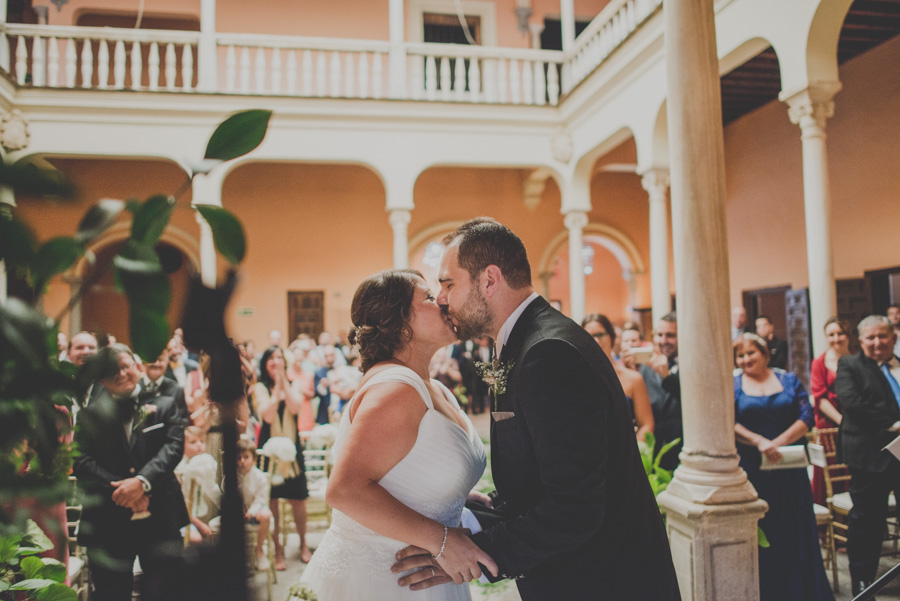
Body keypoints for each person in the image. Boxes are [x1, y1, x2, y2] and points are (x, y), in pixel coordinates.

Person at [395, 218, 679, 600]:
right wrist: (486, 512)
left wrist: (477, 553)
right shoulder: (521, 342)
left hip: (602, 581)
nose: (442, 297)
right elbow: (547, 475)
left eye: (448, 284)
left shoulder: (549, 353)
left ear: (489, 280)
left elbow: (575, 507)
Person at [299, 268, 495, 600]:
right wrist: (443, 540)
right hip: (386, 581)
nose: (444, 301)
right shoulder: (395, 388)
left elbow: (406, 472)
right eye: (430, 298)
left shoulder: (433, 387)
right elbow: (345, 490)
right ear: (402, 323)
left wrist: (454, 498)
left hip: (429, 572)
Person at [73, 343, 188, 601]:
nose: (120, 373)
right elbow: (81, 462)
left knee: (167, 593)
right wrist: (124, 489)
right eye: (112, 370)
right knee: (111, 595)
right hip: (107, 523)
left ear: (137, 366)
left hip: (160, 516)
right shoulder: (89, 416)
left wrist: (142, 482)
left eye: (125, 366)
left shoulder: (166, 404)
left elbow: (173, 447)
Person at [732, 333, 834, 601]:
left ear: (765, 354)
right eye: (740, 356)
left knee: (795, 528)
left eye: (751, 353)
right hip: (755, 469)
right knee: (766, 528)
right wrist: (760, 442)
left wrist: (777, 442)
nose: (745, 360)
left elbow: (807, 416)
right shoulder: (734, 384)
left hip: (789, 467)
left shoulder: (788, 379)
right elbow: (729, 421)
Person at [835, 315, 900, 595]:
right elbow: (853, 404)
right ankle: (863, 585)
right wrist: (896, 423)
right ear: (860, 341)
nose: (877, 343)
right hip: (870, 458)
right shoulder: (850, 365)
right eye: (870, 338)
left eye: (882, 336)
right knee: (867, 523)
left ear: (893, 337)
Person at [253, 346, 312, 568]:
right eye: (271, 358)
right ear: (265, 363)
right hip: (268, 449)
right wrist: (276, 389)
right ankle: (278, 551)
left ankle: (304, 544)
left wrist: (283, 384)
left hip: (292, 449)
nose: (276, 361)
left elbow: (295, 408)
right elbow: (267, 415)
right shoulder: (259, 387)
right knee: (272, 502)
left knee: (299, 499)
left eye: (279, 358)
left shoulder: (294, 384)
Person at [581, 314, 654, 443]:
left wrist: (633, 452)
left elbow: (647, 425)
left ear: (612, 337)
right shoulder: (578, 379)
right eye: (590, 336)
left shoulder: (633, 378)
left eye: (600, 335)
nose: (596, 341)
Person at [809, 317, 850, 506]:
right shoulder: (819, 362)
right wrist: (842, 421)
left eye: (840, 333)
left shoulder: (856, 359)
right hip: (829, 424)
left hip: (854, 423)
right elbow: (820, 397)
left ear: (848, 335)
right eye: (831, 334)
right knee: (831, 471)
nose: (836, 338)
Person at [636, 313, 683, 470]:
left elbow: (694, 402)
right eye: (659, 335)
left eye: (670, 335)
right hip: (653, 450)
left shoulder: (692, 363)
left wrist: (667, 376)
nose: (664, 341)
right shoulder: (646, 368)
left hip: (682, 450)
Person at [174, 426, 217, 544]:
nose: (199, 445)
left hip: (194, 515)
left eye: (202, 441)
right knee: (196, 539)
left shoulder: (202, 465)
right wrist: (200, 525)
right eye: (193, 442)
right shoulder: (179, 469)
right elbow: (180, 505)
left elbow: (211, 488)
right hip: (178, 518)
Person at [235, 438, 273, 571]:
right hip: (236, 515)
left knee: (266, 514)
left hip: (254, 513)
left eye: (246, 457)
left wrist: (250, 512)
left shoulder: (260, 477)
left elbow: (260, 500)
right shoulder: (231, 477)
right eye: (239, 458)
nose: (242, 461)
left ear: (254, 459)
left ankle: (259, 551)